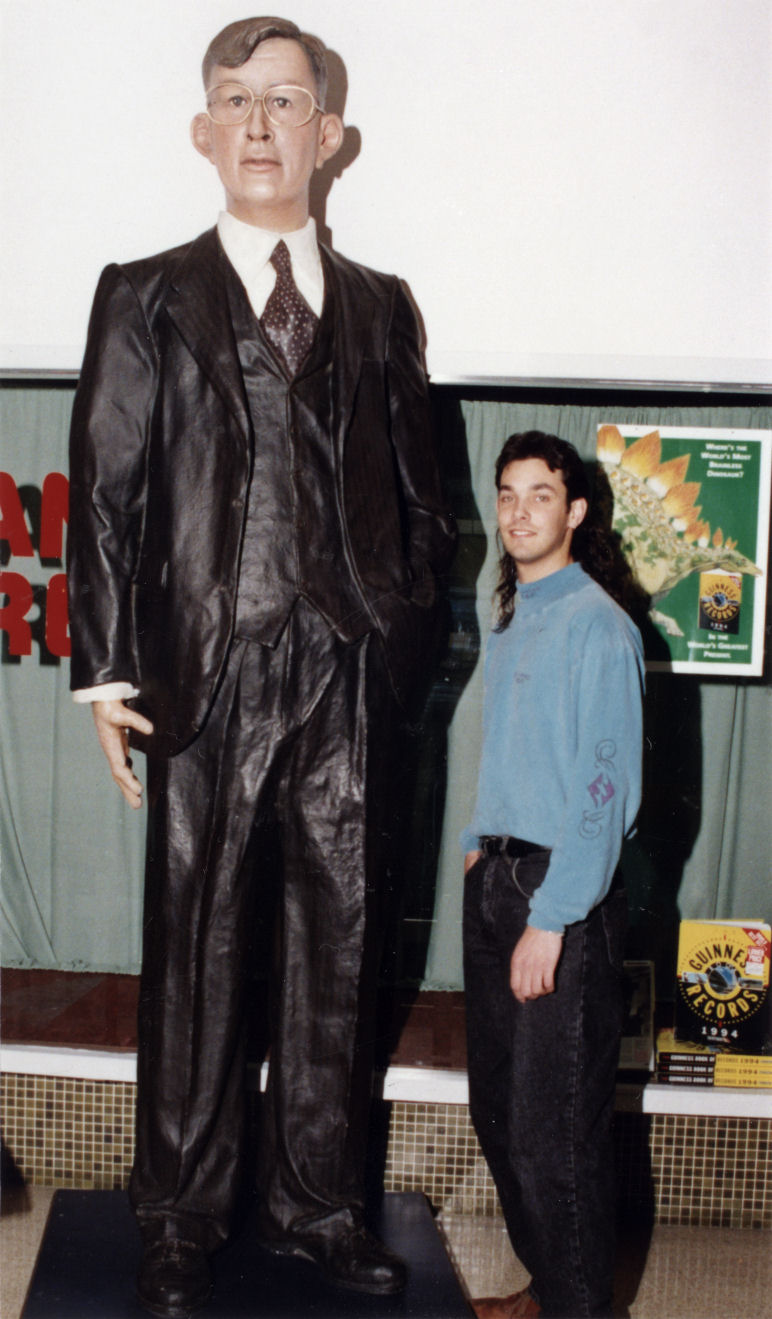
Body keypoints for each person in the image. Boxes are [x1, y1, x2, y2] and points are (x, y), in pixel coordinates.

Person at [66, 17, 455, 1318]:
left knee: (339, 951)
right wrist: (107, 673)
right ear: (201, 129)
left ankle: (319, 1203)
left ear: (328, 136)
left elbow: (421, 499)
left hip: (347, 672)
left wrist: (399, 640)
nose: (258, 123)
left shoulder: (382, 306)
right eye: (235, 99)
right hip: (203, 676)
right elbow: (111, 494)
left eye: (285, 101)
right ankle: (178, 1213)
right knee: (197, 947)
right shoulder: (145, 293)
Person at [460, 432, 644, 1319]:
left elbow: (603, 793)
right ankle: (549, 1290)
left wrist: (552, 913)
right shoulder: (513, 616)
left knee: (552, 1137)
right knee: (498, 1116)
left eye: (541, 495)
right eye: (507, 494)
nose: (520, 511)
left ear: (574, 512)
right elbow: (513, 750)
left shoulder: (598, 624)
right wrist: (476, 836)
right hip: (496, 881)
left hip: (558, 899)